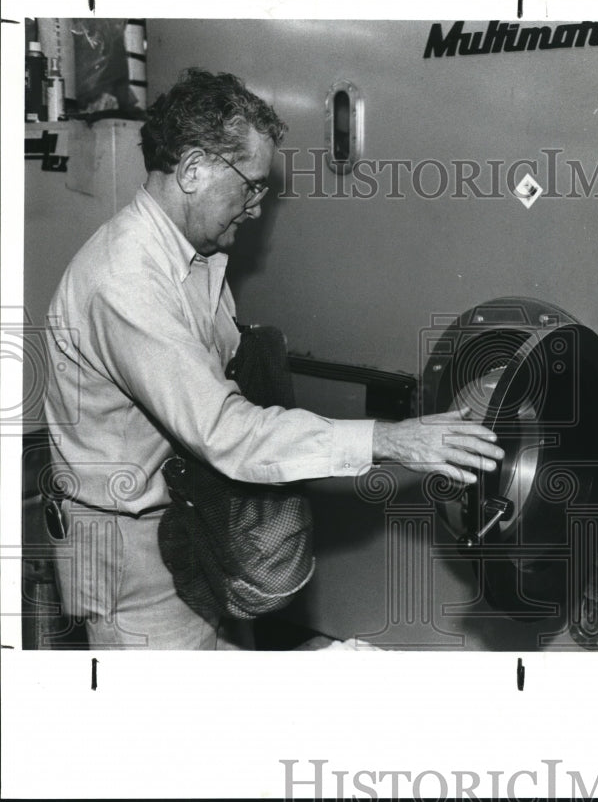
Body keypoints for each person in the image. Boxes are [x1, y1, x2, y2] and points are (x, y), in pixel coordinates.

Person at [43, 68, 503, 650]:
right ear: (191, 170)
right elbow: (225, 430)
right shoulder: (125, 280)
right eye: (250, 186)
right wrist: (390, 440)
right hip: (131, 563)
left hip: (195, 530)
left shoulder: (196, 256)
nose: (258, 207)